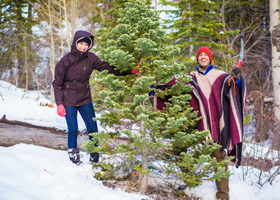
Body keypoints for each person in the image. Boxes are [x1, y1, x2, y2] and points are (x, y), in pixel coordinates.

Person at [156, 47, 246, 200]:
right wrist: (155, 90)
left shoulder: (221, 76)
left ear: (210, 58)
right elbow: (172, 86)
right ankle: (191, 183)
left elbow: (235, 89)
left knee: (219, 157)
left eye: (206, 55)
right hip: (195, 125)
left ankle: (223, 196)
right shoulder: (190, 77)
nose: (203, 57)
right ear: (197, 59)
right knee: (179, 148)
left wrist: (237, 78)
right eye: (200, 55)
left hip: (215, 126)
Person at [53, 30, 135, 165]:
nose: (83, 47)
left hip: (85, 99)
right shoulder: (65, 60)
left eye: (86, 45)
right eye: (81, 44)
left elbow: (107, 68)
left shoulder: (91, 58)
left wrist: (129, 70)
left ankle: (94, 155)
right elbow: (57, 83)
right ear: (76, 43)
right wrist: (59, 103)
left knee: (93, 129)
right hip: (69, 100)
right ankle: (74, 157)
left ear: (89, 46)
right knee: (73, 130)